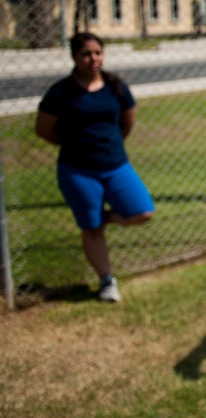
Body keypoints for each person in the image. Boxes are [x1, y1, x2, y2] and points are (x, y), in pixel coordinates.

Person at [35, 32, 155, 303]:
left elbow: (127, 122)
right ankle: (106, 280)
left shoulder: (116, 86)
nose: (93, 59)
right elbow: (43, 130)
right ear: (74, 57)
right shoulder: (60, 92)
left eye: (97, 52)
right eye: (86, 54)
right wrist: (77, 148)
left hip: (115, 166)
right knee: (91, 229)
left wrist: (109, 146)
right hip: (77, 171)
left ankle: (102, 216)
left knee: (143, 212)